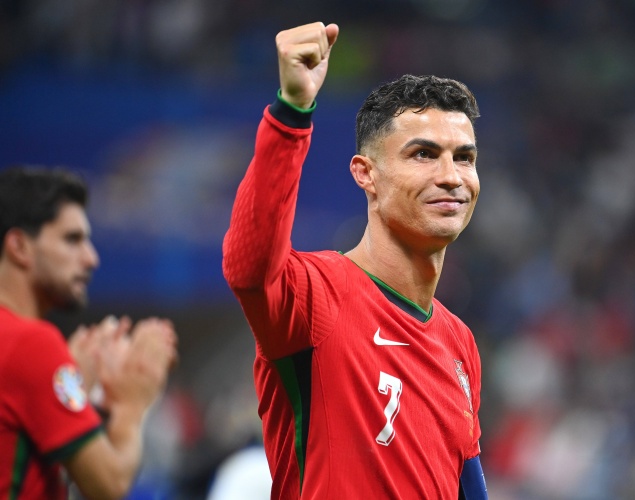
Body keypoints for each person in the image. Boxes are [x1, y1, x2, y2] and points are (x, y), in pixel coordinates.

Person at [223, 22, 487, 499]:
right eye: (424, 154)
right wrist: (291, 111)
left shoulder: (459, 343)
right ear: (366, 174)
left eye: (464, 157)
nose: (451, 176)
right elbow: (248, 267)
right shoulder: (317, 296)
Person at [0, 166, 178, 499]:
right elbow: (108, 484)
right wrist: (131, 404)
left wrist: (78, 395)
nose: (91, 258)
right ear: (19, 247)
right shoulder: (31, 343)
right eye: (72, 240)